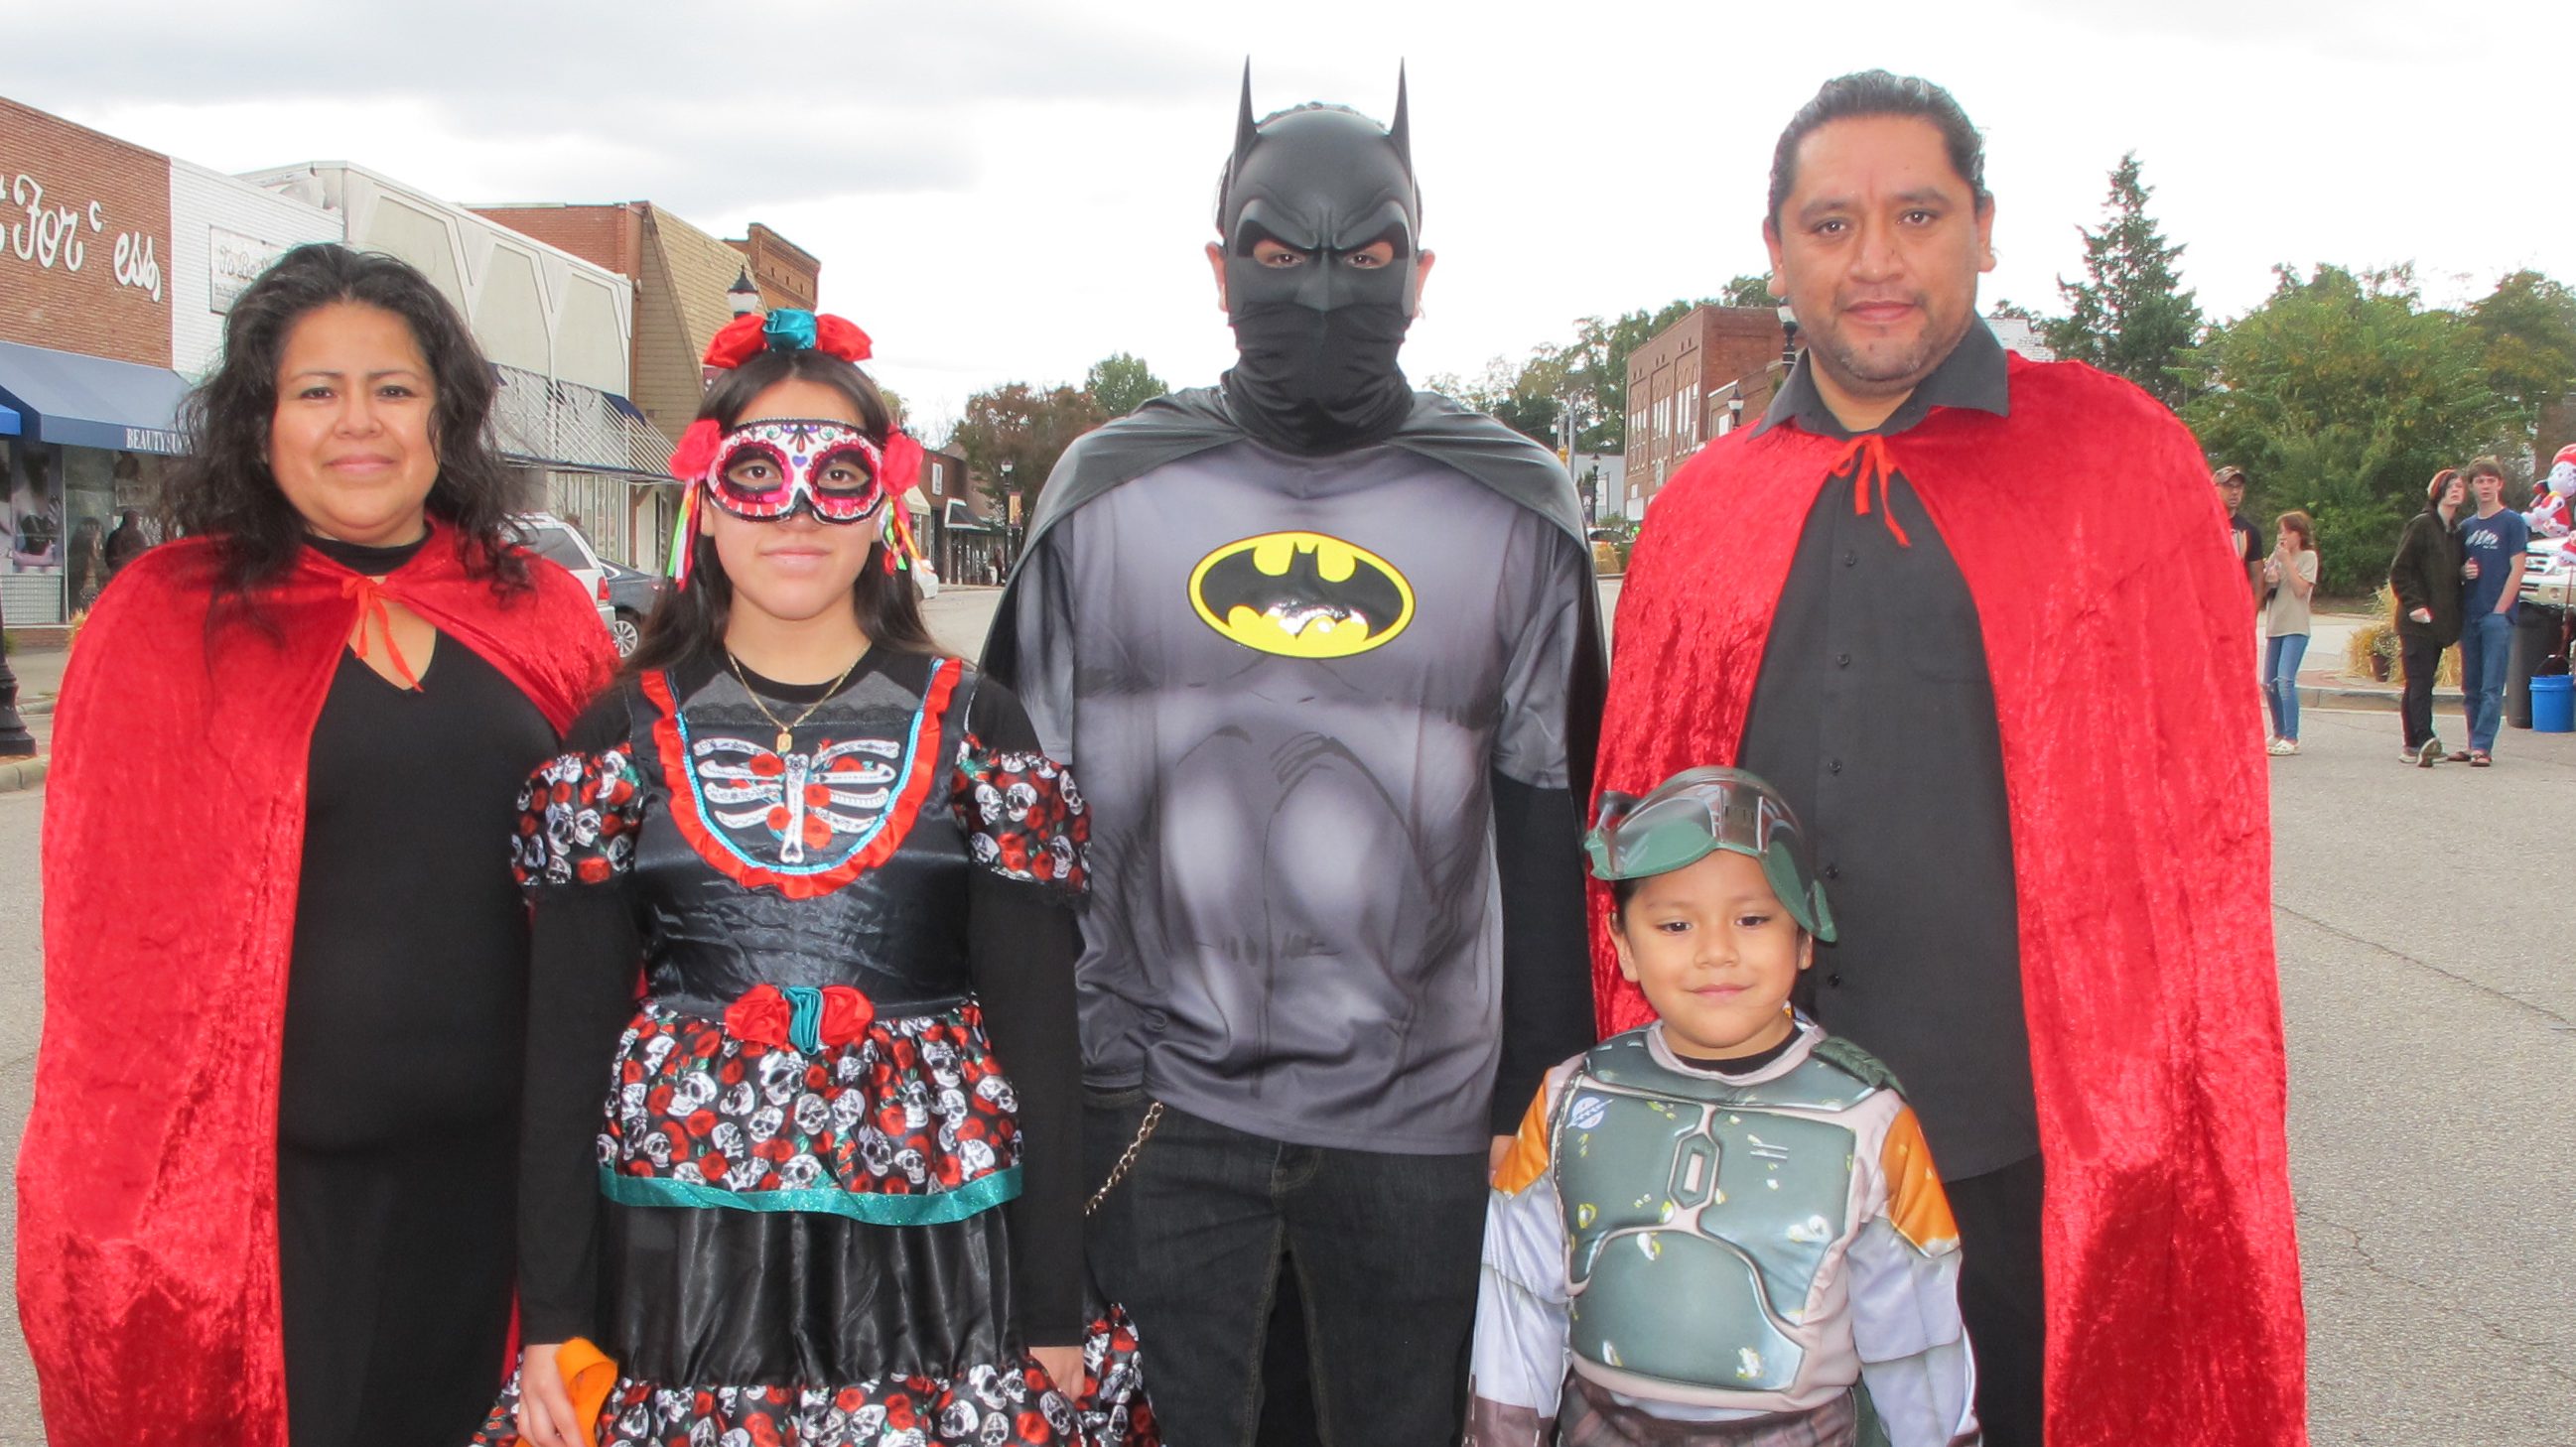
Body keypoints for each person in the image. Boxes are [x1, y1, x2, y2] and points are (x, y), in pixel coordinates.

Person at [1589, 71, 2307, 1447]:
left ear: (1983, 226)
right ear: (1775, 251)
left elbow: (2196, 832)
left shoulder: (2120, 466)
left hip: (2023, 1141)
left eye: (1916, 215)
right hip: (1747, 1133)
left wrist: (2153, 1110)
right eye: (1831, 223)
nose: (1874, 258)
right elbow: (1639, 827)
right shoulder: (1702, 509)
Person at [980, 69, 1605, 1446]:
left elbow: (1539, 813)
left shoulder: (1512, 507)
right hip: (1157, 1102)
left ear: (1420, 273)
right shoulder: (1104, 497)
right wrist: (1049, 1096)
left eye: (1365, 255)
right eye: (1278, 252)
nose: (1321, 290)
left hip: (1424, 1118)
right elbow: (1019, 839)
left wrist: (1537, 1094)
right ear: (1219, 267)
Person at [473, 309, 1152, 1447]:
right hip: (682, 1269)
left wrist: (1052, 1311)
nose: (795, 511)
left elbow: (1039, 1035)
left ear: (884, 504)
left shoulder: (978, 726)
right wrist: (553, 1319)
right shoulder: (618, 734)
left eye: (837, 476)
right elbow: (566, 1047)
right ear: (704, 499)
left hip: (938, 1267)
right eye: (756, 474)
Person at [16, 242, 617, 1447]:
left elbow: (617, 890)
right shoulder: (165, 618)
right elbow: (115, 958)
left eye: (393, 389)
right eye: (316, 390)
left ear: (445, 414)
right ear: (260, 421)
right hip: (272, 1213)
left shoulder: (539, 610)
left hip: (502, 1196)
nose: (359, 423)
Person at [1469, 767, 1976, 1447]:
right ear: (1622, 945)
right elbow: (1517, 1307)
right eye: (1676, 924)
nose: (1716, 952)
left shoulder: (1868, 1118)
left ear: (1804, 936)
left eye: (1752, 919)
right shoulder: (1570, 1099)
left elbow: (1918, 1343)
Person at [2389, 469, 2470, 766]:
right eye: (2449, 486)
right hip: (2417, 621)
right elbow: (2400, 569)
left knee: (2420, 683)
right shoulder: (2422, 525)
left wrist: (2464, 572)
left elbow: (2447, 574)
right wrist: (2414, 605)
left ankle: (2413, 742)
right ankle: (2424, 739)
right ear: (2437, 491)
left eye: (2459, 486)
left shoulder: (2455, 532)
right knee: (2420, 681)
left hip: (2438, 622)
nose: (2456, 490)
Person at [2455, 456, 2529, 767]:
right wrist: (2463, 571)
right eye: (2479, 481)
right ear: (2471, 486)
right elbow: (2456, 568)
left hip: (2496, 615)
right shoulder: (2466, 527)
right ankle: (2473, 742)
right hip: (2469, 613)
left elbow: (2518, 568)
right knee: (2470, 685)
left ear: (2500, 484)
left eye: (2490, 481)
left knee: (2491, 685)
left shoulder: (2512, 522)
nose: (2485, 486)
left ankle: (2483, 746)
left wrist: (2501, 608)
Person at [2262, 511, 2320, 755]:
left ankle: (2291, 737)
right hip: (2276, 624)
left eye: (2287, 531)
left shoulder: (2308, 557)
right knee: (2269, 683)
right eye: (2280, 532)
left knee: (2285, 680)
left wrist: (2286, 562)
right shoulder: (2275, 556)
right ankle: (2278, 732)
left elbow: (2300, 590)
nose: (2282, 536)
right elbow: (2267, 590)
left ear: (2299, 534)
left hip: (2296, 626)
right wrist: (2270, 578)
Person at [2216, 464, 2263, 599]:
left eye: (2239, 487)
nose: (2235, 492)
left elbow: (2257, 578)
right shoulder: (2200, 527)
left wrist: (2252, 610)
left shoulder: (2249, 531)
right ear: (2215, 488)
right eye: (2229, 486)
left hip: (2235, 603)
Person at [102, 506, 149, 575]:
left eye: (137, 520)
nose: (136, 523)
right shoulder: (116, 535)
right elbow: (111, 556)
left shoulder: (138, 535)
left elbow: (142, 553)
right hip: (122, 571)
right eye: (134, 520)